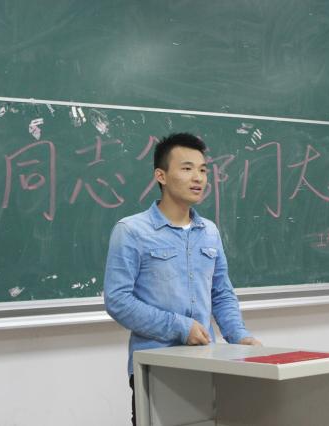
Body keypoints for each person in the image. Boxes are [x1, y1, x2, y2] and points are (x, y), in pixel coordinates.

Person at [104, 132, 260, 425]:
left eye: (203, 170)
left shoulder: (209, 231)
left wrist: (239, 336)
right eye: (187, 168)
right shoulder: (132, 231)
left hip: (207, 363)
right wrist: (180, 327)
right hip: (155, 365)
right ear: (161, 176)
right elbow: (118, 300)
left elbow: (221, 293)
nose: (198, 178)